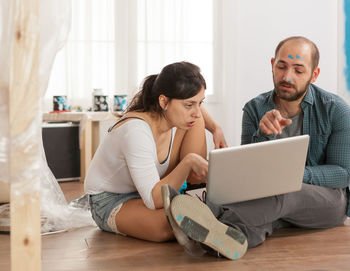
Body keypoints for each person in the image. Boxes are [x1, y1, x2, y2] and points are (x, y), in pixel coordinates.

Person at [162, 36, 350, 260]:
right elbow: (249, 175)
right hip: (273, 202)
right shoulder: (255, 108)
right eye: (281, 67)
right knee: (263, 217)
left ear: (314, 74)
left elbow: (342, 174)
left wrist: (291, 175)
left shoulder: (336, 110)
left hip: (328, 202)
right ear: (272, 64)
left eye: (298, 71)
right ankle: (223, 241)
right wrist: (263, 134)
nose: (287, 76)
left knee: (282, 192)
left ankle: (207, 214)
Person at [84, 61, 229, 242]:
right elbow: (153, 201)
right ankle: (206, 217)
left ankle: (199, 200)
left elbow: (195, 109)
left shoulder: (176, 115)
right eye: (189, 104)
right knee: (167, 226)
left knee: (195, 121)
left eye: (200, 103)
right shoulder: (136, 131)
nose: (197, 111)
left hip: (150, 188)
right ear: (163, 101)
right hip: (112, 199)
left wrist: (215, 128)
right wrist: (189, 161)